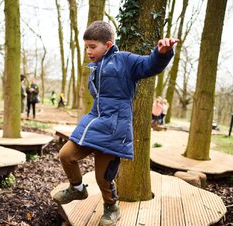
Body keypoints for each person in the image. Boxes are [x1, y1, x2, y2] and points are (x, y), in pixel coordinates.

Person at [52, 21, 177, 226]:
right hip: (94, 122)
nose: (88, 51)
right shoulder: (96, 67)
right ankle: (77, 189)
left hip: (114, 129)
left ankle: (111, 207)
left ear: (108, 45)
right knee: (66, 155)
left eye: (93, 47)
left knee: (103, 177)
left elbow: (149, 65)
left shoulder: (124, 60)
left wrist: (161, 53)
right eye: (86, 47)